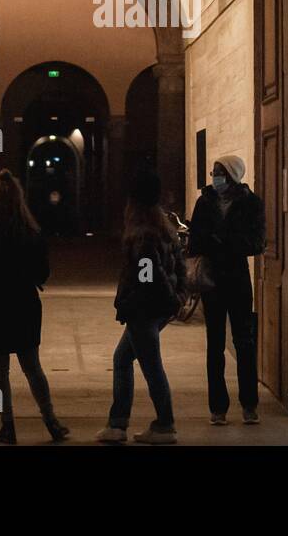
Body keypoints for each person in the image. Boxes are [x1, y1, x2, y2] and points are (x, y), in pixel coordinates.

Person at [0, 169, 70, 444]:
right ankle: (51, 421)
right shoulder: (30, 233)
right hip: (22, 305)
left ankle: (6, 426)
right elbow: (43, 273)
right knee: (32, 367)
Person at [96, 171, 187, 445]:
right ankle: (118, 424)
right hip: (154, 308)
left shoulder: (143, 236)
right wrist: (178, 298)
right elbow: (179, 268)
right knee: (122, 360)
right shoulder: (163, 229)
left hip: (143, 310)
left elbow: (150, 278)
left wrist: (140, 303)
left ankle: (164, 425)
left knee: (151, 366)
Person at [188, 154, 266, 426]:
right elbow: (194, 241)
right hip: (212, 280)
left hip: (237, 278)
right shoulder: (205, 202)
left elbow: (257, 242)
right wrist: (211, 242)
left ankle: (249, 405)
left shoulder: (251, 203)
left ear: (232, 175)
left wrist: (225, 242)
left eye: (219, 173)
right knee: (215, 344)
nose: (214, 178)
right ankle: (217, 407)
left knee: (244, 342)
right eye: (212, 172)